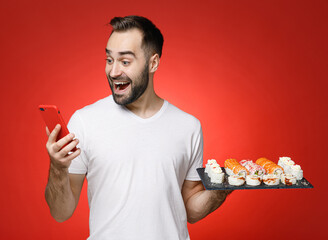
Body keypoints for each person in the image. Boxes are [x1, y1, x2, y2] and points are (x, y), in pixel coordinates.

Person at [44, 15, 231, 240]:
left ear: (153, 63)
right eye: (109, 59)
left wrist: (221, 189)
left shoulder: (188, 126)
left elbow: (189, 209)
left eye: (125, 61)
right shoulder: (85, 121)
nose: (113, 72)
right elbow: (61, 212)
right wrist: (57, 168)